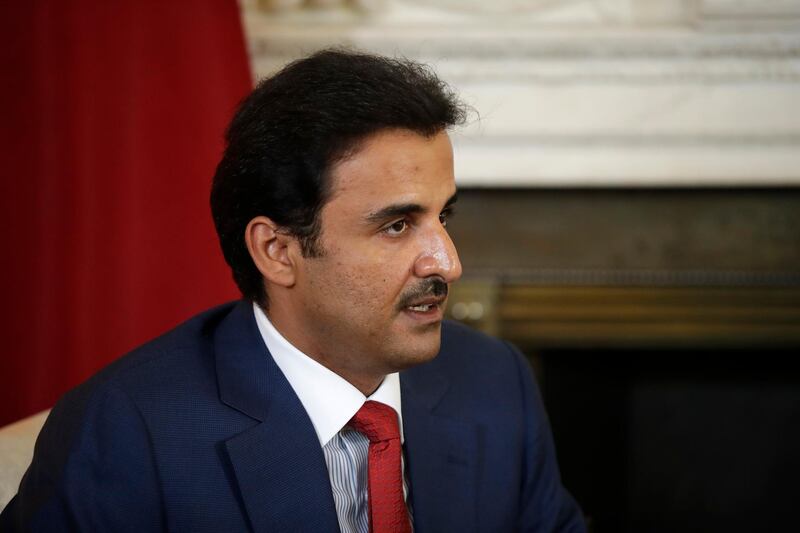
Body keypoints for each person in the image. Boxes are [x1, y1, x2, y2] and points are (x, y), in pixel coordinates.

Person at [1, 50, 585, 532]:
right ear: (278, 251)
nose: (448, 263)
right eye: (397, 225)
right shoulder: (127, 430)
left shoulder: (494, 382)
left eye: (443, 217)